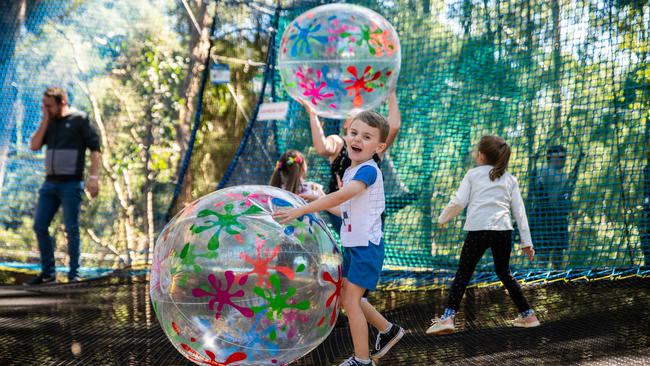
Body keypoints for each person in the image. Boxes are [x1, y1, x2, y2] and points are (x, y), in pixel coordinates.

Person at [274, 111, 404, 366]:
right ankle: (387, 330)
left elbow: (341, 197)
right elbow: (343, 208)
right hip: (354, 246)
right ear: (347, 136)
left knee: (351, 301)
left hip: (367, 247)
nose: (357, 139)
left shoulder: (368, 170)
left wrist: (302, 209)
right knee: (346, 295)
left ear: (378, 147)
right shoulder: (350, 171)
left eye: (366, 137)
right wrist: (316, 201)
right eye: (354, 133)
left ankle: (362, 360)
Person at [426, 135, 540, 335]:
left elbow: (459, 202)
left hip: (478, 230)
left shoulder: (473, 174)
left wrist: (443, 218)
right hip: (503, 232)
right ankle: (529, 316)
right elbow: (519, 212)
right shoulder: (510, 179)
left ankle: (448, 318)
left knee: (463, 273)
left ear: (480, 156)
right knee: (504, 273)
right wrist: (526, 242)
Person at [301, 90, 410, 234]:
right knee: (352, 246)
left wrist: (391, 92)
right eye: (358, 119)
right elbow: (322, 148)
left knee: (367, 245)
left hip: (368, 209)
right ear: (347, 123)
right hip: (340, 205)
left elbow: (394, 126)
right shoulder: (339, 142)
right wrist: (313, 114)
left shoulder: (374, 149)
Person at [24, 87, 101, 285]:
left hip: (71, 183)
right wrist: (45, 119)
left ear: (62, 102)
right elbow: (34, 146)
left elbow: (95, 150)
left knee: (71, 228)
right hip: (50, 183)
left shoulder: (79, 120)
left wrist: (94, 178)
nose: (46, 109)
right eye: (44, 106)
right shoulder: (49, 122)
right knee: (39, 225)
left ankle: (74, 274)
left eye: (49, 106)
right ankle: (48, 274)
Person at [530, 145, 584, 268]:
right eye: (559, 157)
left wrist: (572, 210)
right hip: (543, 216)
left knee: (558, 250)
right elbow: (538, 186)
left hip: (558, 216)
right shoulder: (544, 170)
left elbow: (565, 195)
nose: (562, 160)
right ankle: (542, 278)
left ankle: (556, 278)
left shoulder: (563, 176)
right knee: (544, 250)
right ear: (550, 158)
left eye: (564, 157)